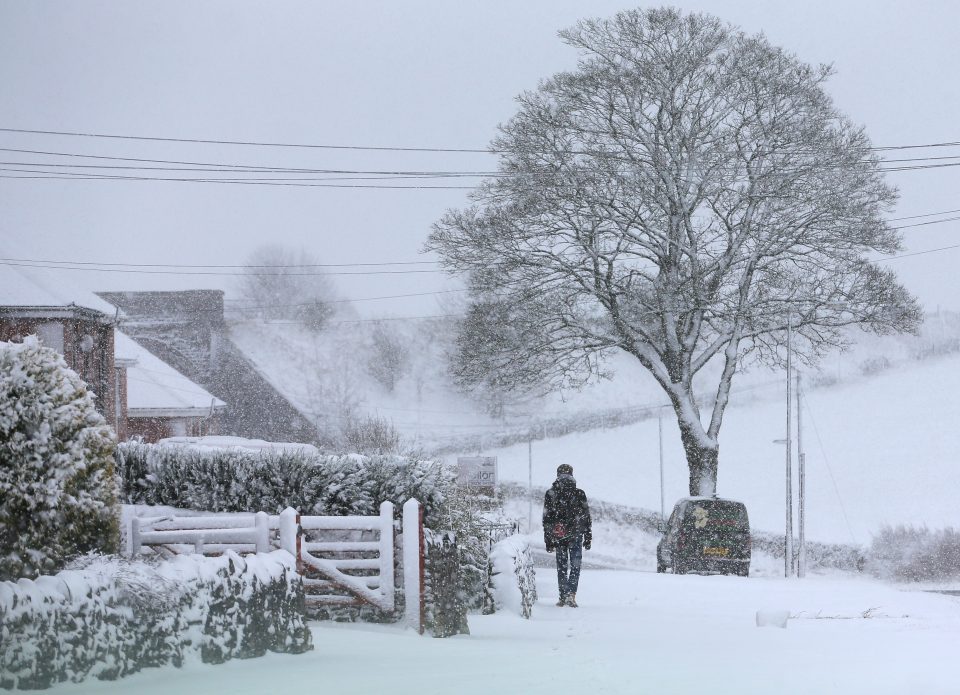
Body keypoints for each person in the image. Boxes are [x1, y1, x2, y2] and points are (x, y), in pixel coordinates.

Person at [543, 463, 592, 607]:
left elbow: (547, 518)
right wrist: (588, 535)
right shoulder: (579, 493)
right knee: (575, 565)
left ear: (557, 475)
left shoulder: (551, 493)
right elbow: (586, 516)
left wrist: (548, 539)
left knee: (562, 566)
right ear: (572, 474)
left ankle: (563, 595)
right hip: (576, 534)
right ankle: (571, 594)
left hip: (559, 535)